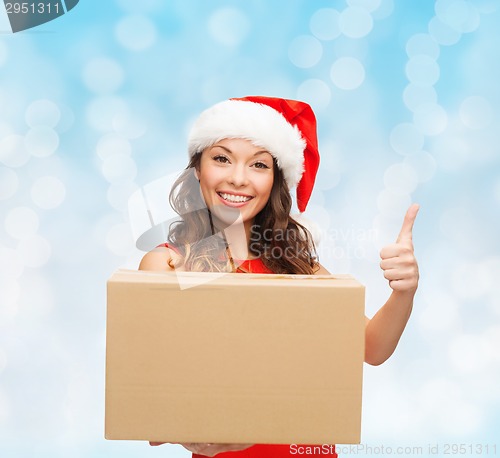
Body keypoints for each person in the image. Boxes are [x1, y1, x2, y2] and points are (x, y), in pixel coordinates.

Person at [139, 96, 420, 458]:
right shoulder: (168, 265)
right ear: (197, 168)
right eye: (221, 158)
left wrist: (404, 292)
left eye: (258, 165)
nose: (238, 179)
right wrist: (193, 431)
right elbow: (151, 389)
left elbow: (372, 348)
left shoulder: (298, 267)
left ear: (275, 181)